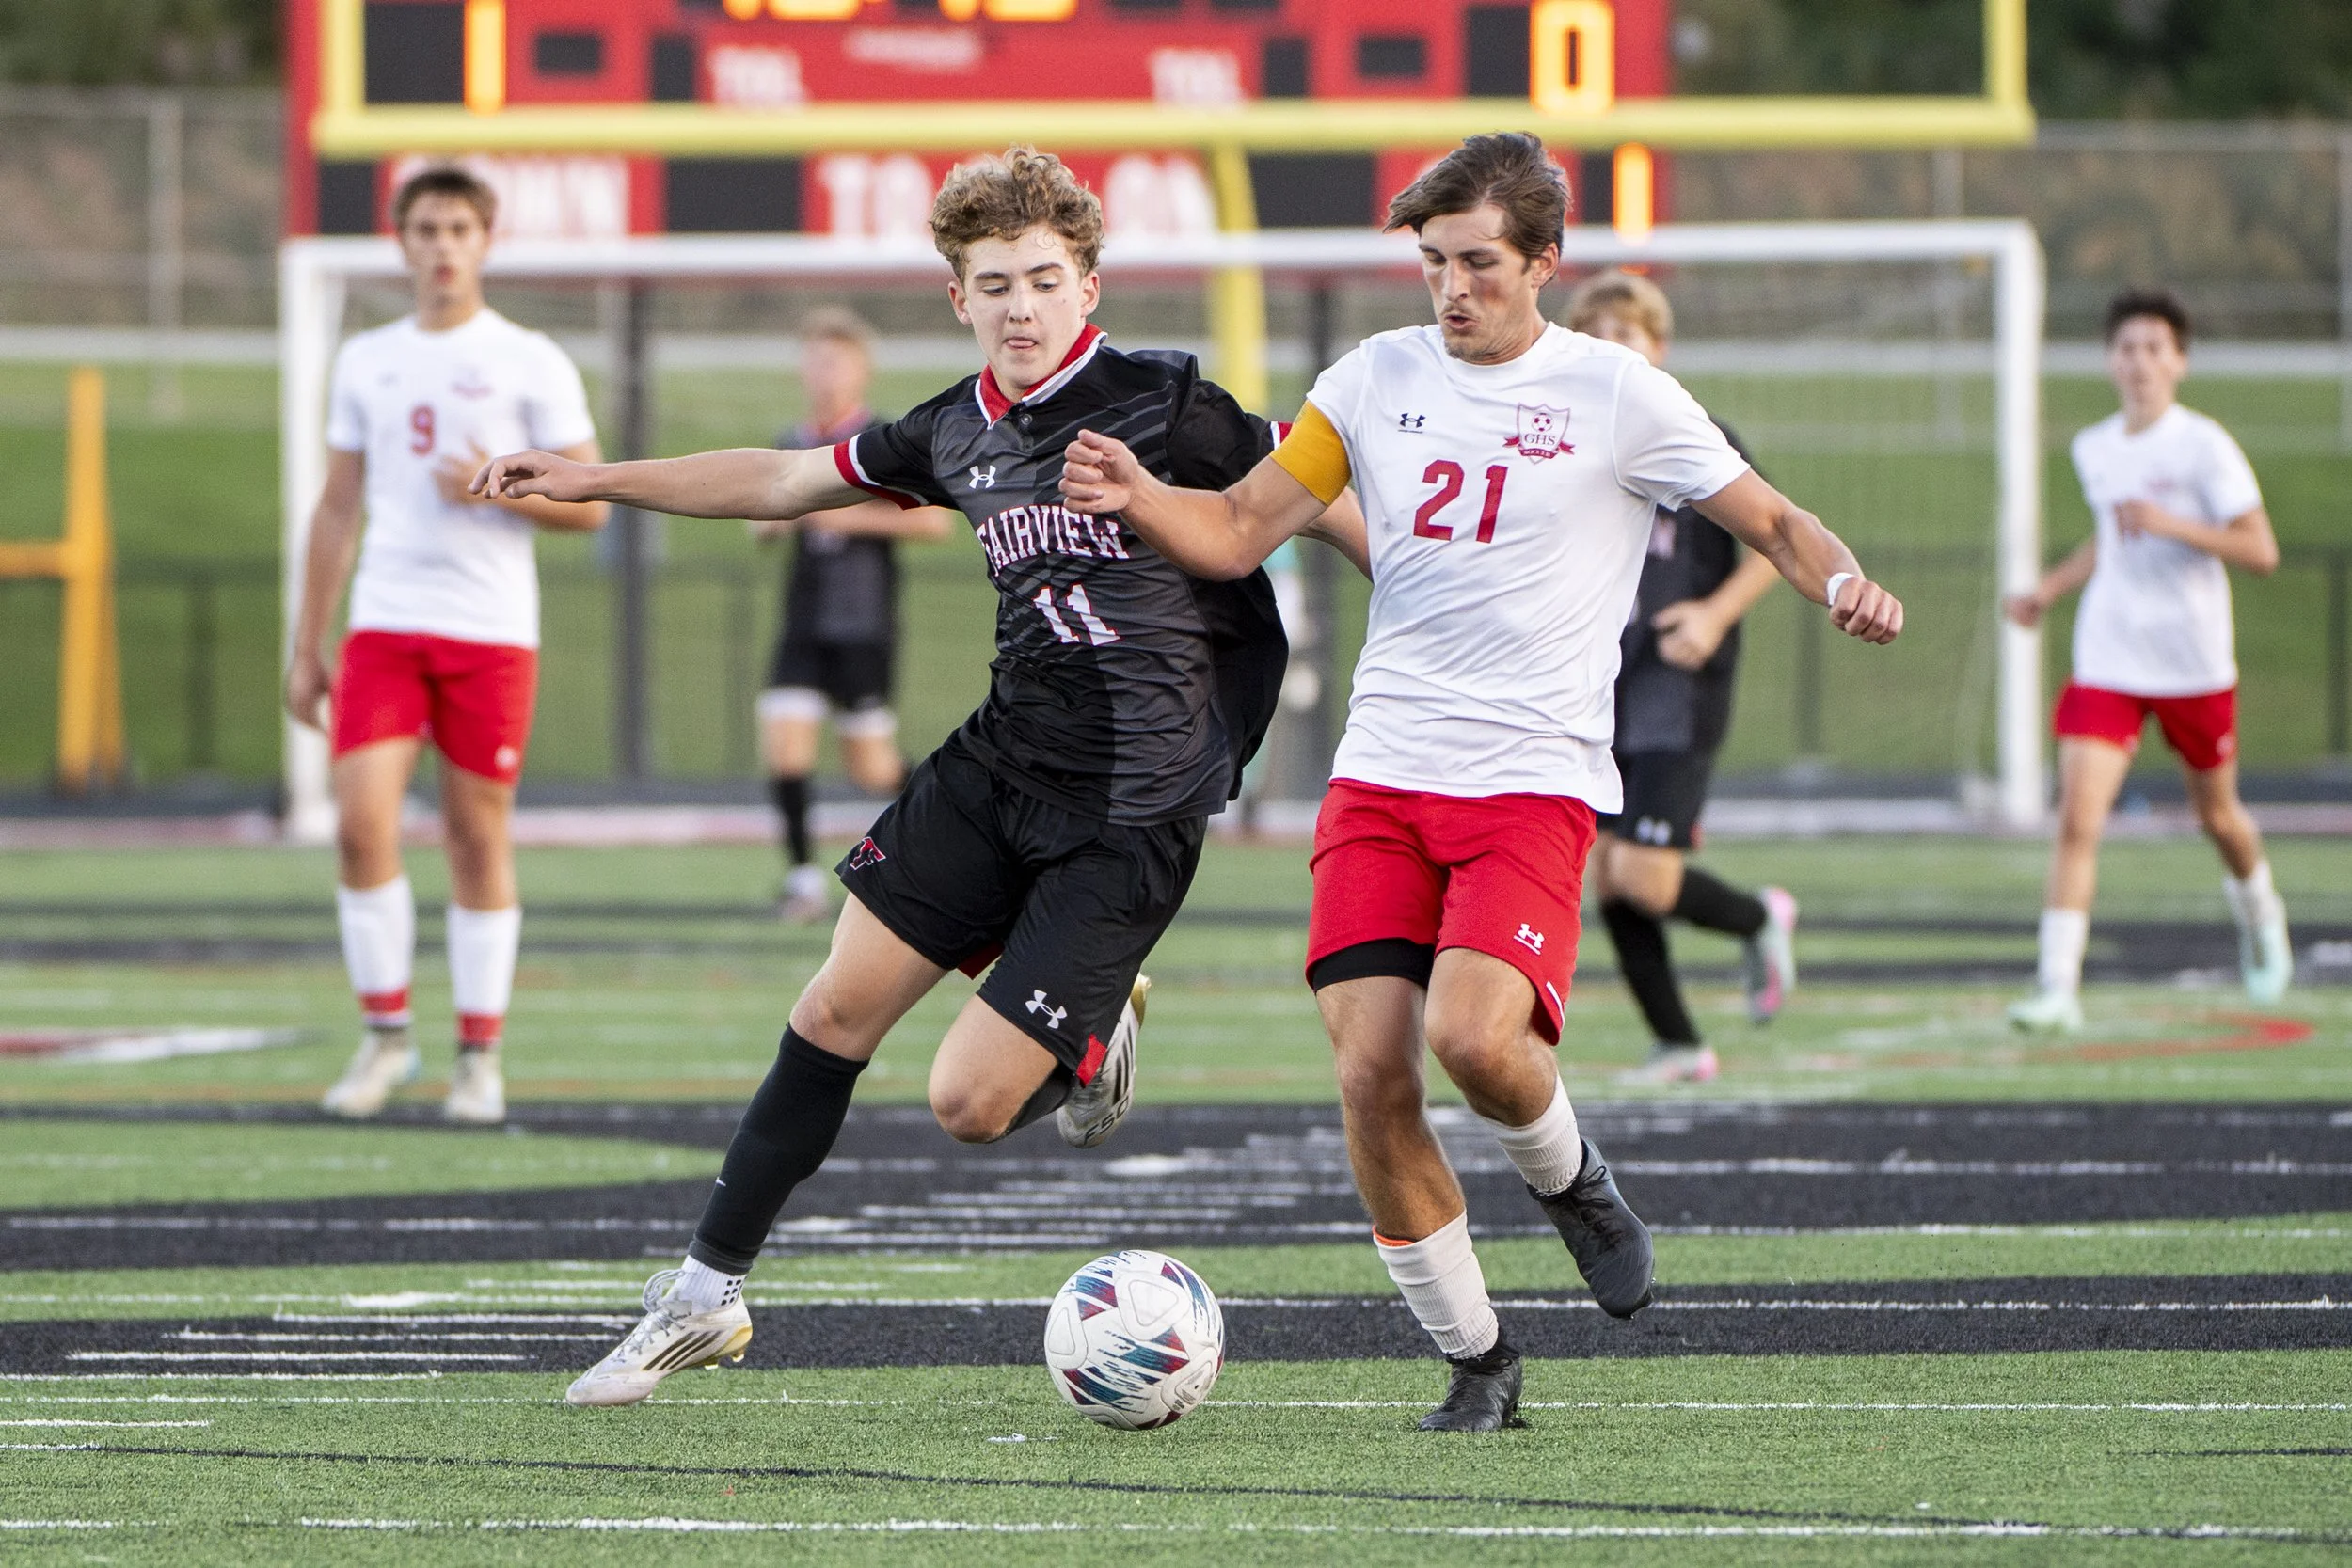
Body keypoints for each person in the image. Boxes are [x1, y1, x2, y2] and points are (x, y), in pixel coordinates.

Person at [473, 148, 1366, 1407]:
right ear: (958, 297)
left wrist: (1434, 606)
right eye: (992, 282)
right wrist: (597, 476)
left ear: (1089, 284)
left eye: (1043, 279)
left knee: (965, 1101)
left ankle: (1088, 1035)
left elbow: (1318, 486)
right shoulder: (952, 425)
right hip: (998, 764)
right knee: (832, 1010)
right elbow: (786, 481)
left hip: (1134, 810)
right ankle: (701, 1295)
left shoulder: (1169, 400)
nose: (1018, 305)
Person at [1061, 132, 1901, 1432]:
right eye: (1434, 263)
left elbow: (1780, 522)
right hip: (1383, 773)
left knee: (1474, 1038)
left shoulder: (1620, 393)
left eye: (1480, 264)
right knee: (1370, 1071)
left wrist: (1840, 579)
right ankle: (1480, 1358)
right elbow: (1235, 529)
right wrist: (1136, 491)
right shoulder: (1373, 377)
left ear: (1546, 262)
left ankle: (1572, 1178)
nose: (1452, 290)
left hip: (1530, 779)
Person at [285, 166, 607, 1126]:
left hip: (490, 631)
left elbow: (591, 503)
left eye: (459, 227)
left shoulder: (529, 357)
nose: (441, 245)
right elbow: (338, 503)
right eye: (425, 228)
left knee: (475, 835)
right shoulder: (367, 358)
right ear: (401, 240)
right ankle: (385, 1034)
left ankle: (479, 1054)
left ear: (485, 238)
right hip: (385, 624)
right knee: (359, 821)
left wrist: (510, 486)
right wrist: (307, 642)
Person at [2003, 287, 2291, 1033]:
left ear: (2179, 362)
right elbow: (2111, 537)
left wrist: (2173, 523)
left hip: (2192, 659)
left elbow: (2260, 550)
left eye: (2154, 349)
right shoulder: (2094, 446)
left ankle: (2260, 913)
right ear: (2109, 360)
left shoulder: (2205, 447)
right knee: (2077, 819)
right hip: (2110, 655)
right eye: (2126, 348)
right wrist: (2050, 588)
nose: (2139, 363)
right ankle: (2056, 986)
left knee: (2218, 815)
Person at [1565, 271, 1798, 1085]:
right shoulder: (1571, 446)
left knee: (1643, 873)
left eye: (1626, 334)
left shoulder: (1694, 435)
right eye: (1594, 334)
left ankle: (1759, 916)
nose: (1611, 348)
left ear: (1658, 350)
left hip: (1678, 690)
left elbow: (1779, 542)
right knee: (1612, 882)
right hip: (1604, 687)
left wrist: (1712, 616)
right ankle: (1678, 1042)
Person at [752, 308, 952, 922]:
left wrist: (838, 516)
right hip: (804, 623)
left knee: (873, 768)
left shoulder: (885, 440)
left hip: (862, 624)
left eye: (836, 359)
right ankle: (803, 878)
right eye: (814, 359)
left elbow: (934, 521)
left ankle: (953, 822)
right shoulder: (792, 441)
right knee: (785, 746)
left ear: (862, 368)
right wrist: (767, 522)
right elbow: (765, 515)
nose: (824, 372)